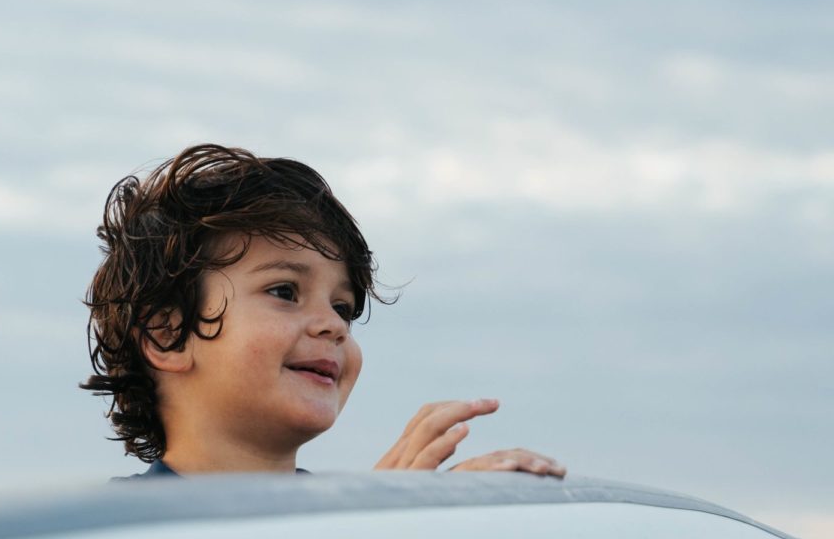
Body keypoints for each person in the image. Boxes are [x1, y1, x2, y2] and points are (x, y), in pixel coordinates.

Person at [82, 144, 565, 479]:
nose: (333, 325)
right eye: (285, 291)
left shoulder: (356, 518)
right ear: (168, 335)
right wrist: (369, 533)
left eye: (343, 307)